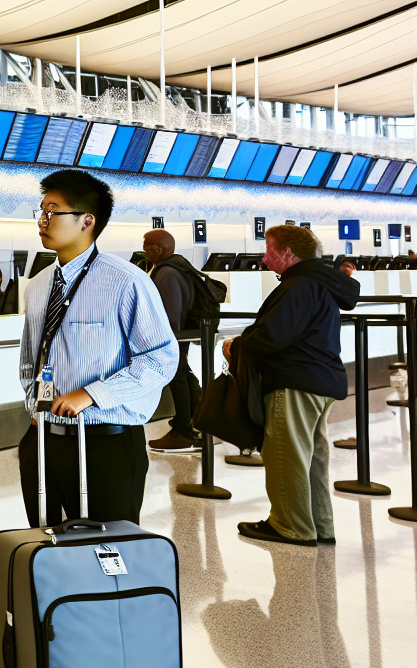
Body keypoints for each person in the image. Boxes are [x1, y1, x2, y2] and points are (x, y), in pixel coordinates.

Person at [18, 170, 177, 526]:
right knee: (48, 548)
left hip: (105, 442)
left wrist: (91, 394)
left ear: (86, 221)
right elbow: (31, 358)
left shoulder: (126, 281)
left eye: (53, 211)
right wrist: (35, 402)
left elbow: (160, 358)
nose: (43, 220)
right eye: (41, 211)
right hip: (44, 440)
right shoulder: (40, 285)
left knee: (108, 554)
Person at [224, 225, 358, 546]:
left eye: (269, 249)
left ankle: (289, 525)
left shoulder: (299, 286)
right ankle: (319, 525)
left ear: (287, 253)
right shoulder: (318, 282)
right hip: (319, 381)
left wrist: (237, 346)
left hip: (295, 382)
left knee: (286, 454)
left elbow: (274, 335)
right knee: (312, 459)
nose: (264, 257)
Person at [142, 229, 205, 452]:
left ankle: (183, 431)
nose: (144, 250)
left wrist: (163, 342)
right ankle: (193, 424)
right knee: (183, 375)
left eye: (146, 245)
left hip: (173, 338)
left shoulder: (167, 273)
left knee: (178, 378)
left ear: (157, 249)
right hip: (179, 336)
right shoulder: (178, 268)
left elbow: (170, 313)